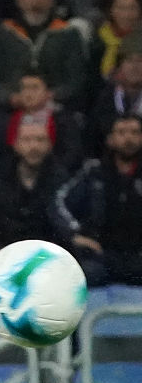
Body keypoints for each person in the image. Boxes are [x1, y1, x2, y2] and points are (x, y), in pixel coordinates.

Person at [0, 0, 91, 114]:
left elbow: (76, 79)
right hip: (10, 109)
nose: (36, 0)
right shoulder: (4, 33)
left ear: (52, 1)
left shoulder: (68, 33)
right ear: (19, 0)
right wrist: (10, 97)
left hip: (57, 108)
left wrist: (52, 95)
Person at [0, 120, 63, 282]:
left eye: (40, 140)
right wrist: (8, 256)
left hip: (44, 263)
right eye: (27, 140)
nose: (34, 146)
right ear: (16, 144)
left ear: (50, 145)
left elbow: (60, 230)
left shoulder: (62, 180)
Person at [57, 114, 142, 285]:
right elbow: (60, 203)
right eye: (122, 132)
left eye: (135, 132)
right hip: (101, 257)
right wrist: (74, 233)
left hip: (138, 257)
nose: (128, 138)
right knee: (84, 274)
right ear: (110, 139)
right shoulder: (94, 172)